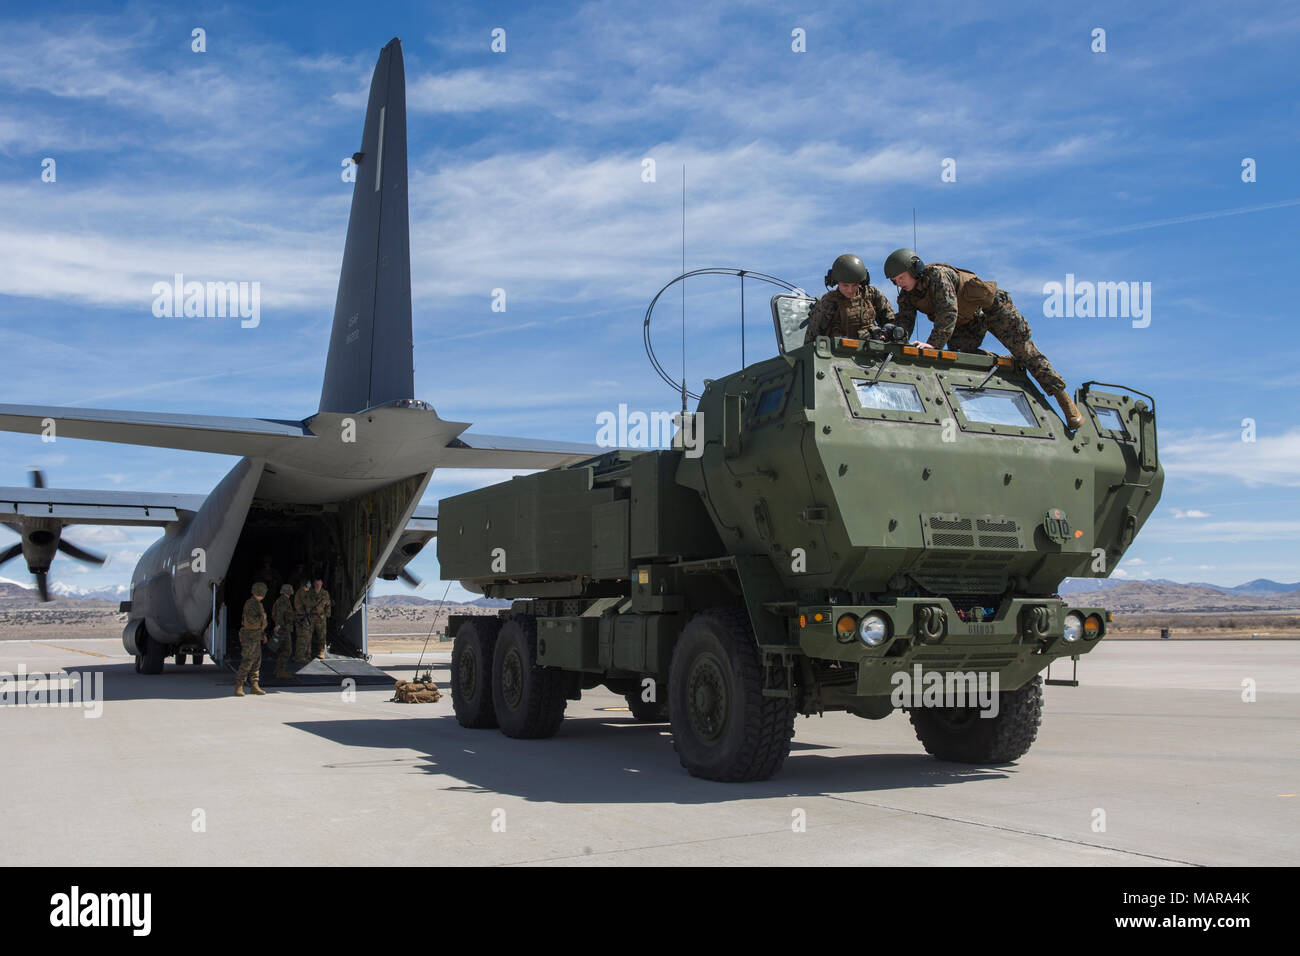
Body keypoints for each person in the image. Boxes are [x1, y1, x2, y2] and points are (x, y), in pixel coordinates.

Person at [883, 248, 1084, 428]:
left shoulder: (938, 276)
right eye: (895, 281)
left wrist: (933, 345)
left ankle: (1063, 399)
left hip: (993, 309)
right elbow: (905, 322)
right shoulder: (907, 296)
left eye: (901, 277)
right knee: (963, 357)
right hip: (969, 320)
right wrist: (895, 337)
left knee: (1025, 351)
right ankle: (1005, 362)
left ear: (915, 269)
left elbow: (948, 312)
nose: (899, 283)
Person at [804, 253, 896, 344]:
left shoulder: (872, 295)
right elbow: (811, 340)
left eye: (855, 284)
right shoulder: (828, 303)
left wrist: (886, 334)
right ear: (835, 282)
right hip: (837, 355)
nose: (850, 290)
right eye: (845, 285)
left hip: (872, 353)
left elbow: (891, 322)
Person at [234, 582, 269, 696]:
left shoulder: (258, 604)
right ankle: (239, 686)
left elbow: (258, 624)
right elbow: (250, 623)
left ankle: (254, 685)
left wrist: (263, 634)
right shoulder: (250, 604)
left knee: (256, 661)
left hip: (256, 636)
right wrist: (262, 618)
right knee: (248, 660)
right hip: (249, 637)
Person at [300, 576, 333, 659]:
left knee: (322, 636)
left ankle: (321, 652)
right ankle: (307, 653)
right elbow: (306, 603)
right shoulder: (309, 592)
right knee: (308, 636)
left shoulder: (325, 593)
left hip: (321, 618)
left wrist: (327, 614)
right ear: (314, 584)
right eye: (316, 584)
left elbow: (328, 604)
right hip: (310, 617)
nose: (318, 585)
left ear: (322, 584)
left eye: (319, 584)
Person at [270, 584, 296, 679]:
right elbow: (280, 614)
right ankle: (280, 671)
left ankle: (278, 669)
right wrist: (278, 625)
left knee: (283, 650)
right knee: (287, 650)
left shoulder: (283, 600)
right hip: (284, 628)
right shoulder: (283, 601)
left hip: (284, 627)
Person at [293, 580, 313, 663]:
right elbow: (308, 603)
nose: (309, 586)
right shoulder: (302, 592)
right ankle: (300, 656)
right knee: (302, 638)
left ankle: (306, 655)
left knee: (306, 637)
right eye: (308, 584)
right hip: (302, 618)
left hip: (304, 617)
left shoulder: (303, 592)